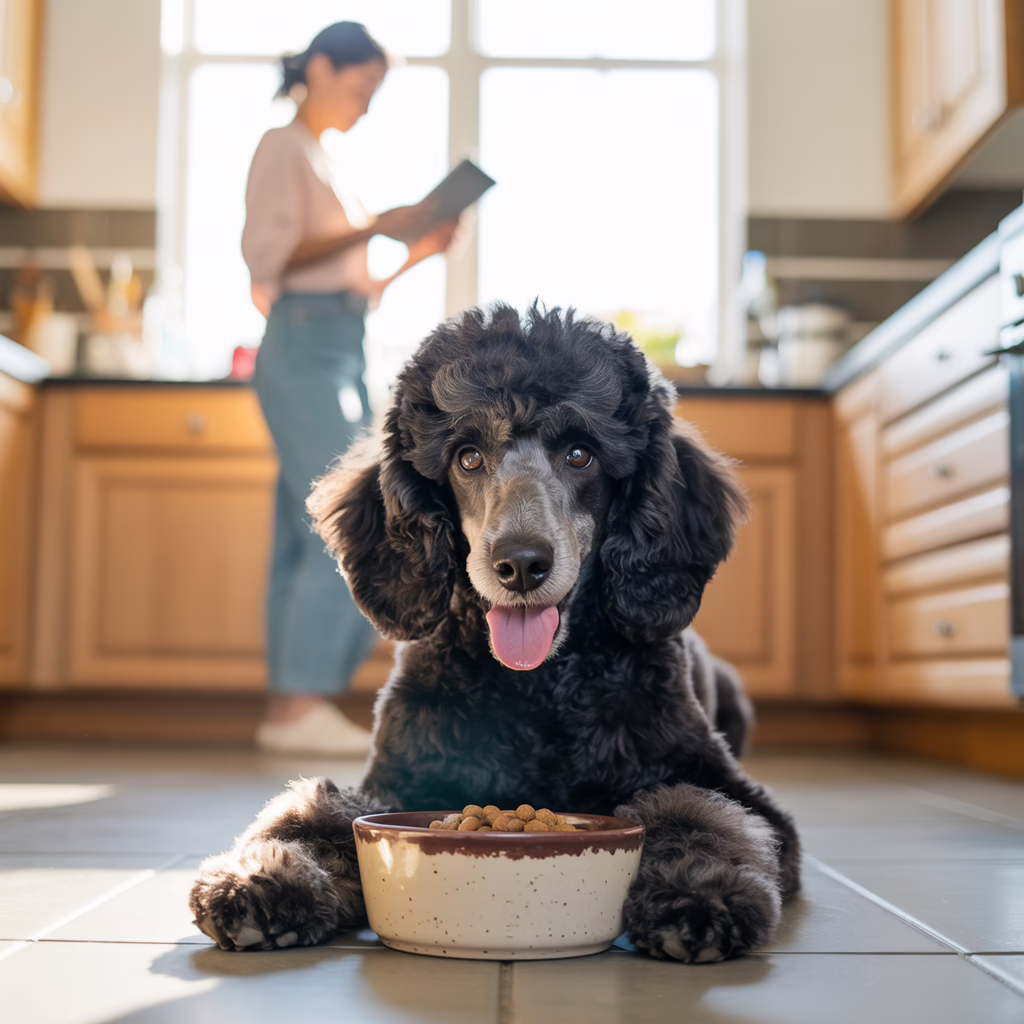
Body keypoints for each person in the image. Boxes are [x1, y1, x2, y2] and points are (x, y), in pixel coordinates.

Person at [242, 21, 457, 755]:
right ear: (325, 67)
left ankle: (289, 707)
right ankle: (297, 705)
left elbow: (353, 288)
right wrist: (375, 226)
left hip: (338, 342)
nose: (365, 105)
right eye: (361, 88)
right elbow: (271, 257)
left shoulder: (327, 158)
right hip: (300, 349)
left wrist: (412, 253)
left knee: (302, 531)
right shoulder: (282, 147)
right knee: (349, 516)